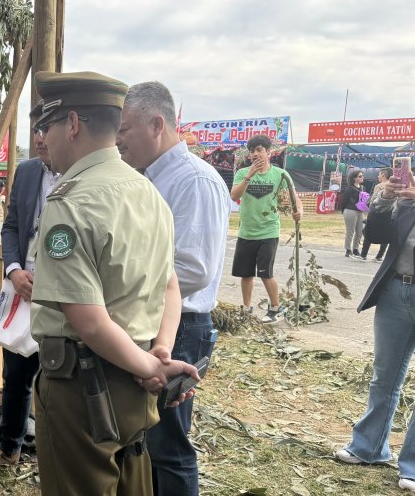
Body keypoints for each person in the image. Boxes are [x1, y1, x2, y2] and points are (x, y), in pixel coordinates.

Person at [29, 70, 199, 495]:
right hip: (136, 385)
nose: (42, 140)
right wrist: (159, 352)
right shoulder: (148, 194)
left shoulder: (72, 202)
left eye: (46, 127)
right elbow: (170, 287)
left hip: (82, 386)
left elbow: (87, 321)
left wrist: (151, 369)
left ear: (71, 124)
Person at [118, 81, 231, 496]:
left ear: (157, 124)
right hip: (157, 320)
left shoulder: (194, 182)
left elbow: (193, 269)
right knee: (145, 437)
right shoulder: (147, 179)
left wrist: (124, 290)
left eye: (125, 129)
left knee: (168, 445)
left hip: (180, 328)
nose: (118, 139)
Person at [0, 101, 58, 479]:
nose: (39, 137)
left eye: (46, 128)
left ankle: (61, 457)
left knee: (60, 384)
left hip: (67, 301)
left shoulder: (88, 178)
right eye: (35, 129)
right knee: (16, 376)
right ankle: (9, 448)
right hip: (24, 295)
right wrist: (15, 269)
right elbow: (10, 227)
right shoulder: (26, 172)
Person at [335, 171, 415, 492]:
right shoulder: (408, 200)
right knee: (384, 377)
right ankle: (369, 448)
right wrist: (384, 199)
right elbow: (378, 235)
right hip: (397, 291)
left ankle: (411, 465)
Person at [230, 134, 303, 323]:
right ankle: (246, 309)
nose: (255, 154)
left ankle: (275, 309)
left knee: (265, 273)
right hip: (246, 231)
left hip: (268, 231)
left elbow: (294, 197)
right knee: (245, 274)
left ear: (268, 152)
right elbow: (233, 196)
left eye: (259, 150)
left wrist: (299, 211)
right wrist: (249, 176)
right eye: (252, 151)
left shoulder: (280, 174)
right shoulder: (242, 173)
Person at [361, 167, 391, 261]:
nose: (378, 176)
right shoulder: (394, 185)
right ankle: (379, 256)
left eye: (379, 174)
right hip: (389, 214)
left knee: (368, 232)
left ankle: (363, 254)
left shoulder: (380, 186)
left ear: (383, 175)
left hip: (376, 214)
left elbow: (374, 200)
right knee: (386, 235)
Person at [338, 169, 366, 258]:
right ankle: (348, 249)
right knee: (350, 231)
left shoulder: (362, 188)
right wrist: (344, 211)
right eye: (360, 176)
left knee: (359, 231)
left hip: (360, 211)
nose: (362, 178)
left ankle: (355, 249)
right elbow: (344, 201)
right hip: (350, 210)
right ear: (354, 178)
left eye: (362, 176)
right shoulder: (349, 188)